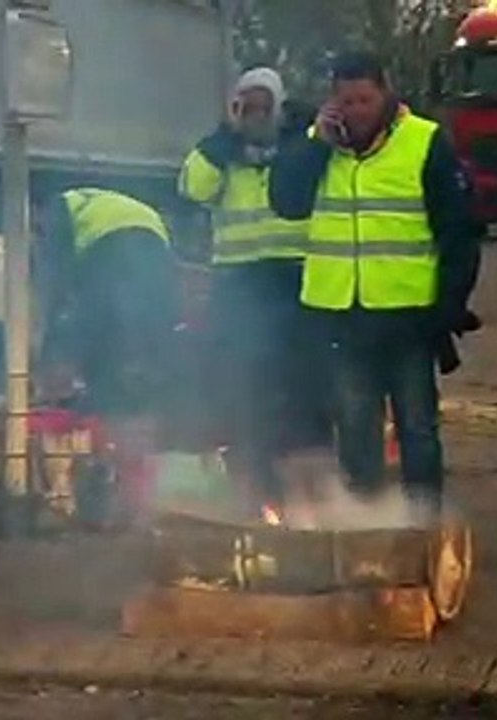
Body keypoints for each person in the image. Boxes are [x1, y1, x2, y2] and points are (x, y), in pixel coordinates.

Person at [269, 52, 481, 523]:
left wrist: (449, 305)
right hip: (339, 313)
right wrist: (317, 145)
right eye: (346, 100)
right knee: (355, 426)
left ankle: (424, 527)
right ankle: (369, 526)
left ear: (386, 93)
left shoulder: (425, 142)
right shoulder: (317, 145)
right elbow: (286, 202)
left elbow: (460, 230)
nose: (356, 110)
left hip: (408, 314)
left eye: (365, 99)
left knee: (417, 429)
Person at [178, 67, 319, 518]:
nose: (256, 114)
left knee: (300, 391)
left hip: (296, 279)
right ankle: (254, 490)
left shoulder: (301, 142)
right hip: (238, 285)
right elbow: (191, 188)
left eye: (263, 105)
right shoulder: (221, 149)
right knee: (243, 391)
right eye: (246, 106)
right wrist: (225, 138)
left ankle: (303, 491)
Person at [32, 187, 182, 522]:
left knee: (109, 365)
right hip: (156, 251)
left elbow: (61, 289)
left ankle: (115, 489)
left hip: (114, 256)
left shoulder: (57, 211)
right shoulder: (95, 201)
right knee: (140, 370)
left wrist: (52, 353)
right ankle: (142, 491)